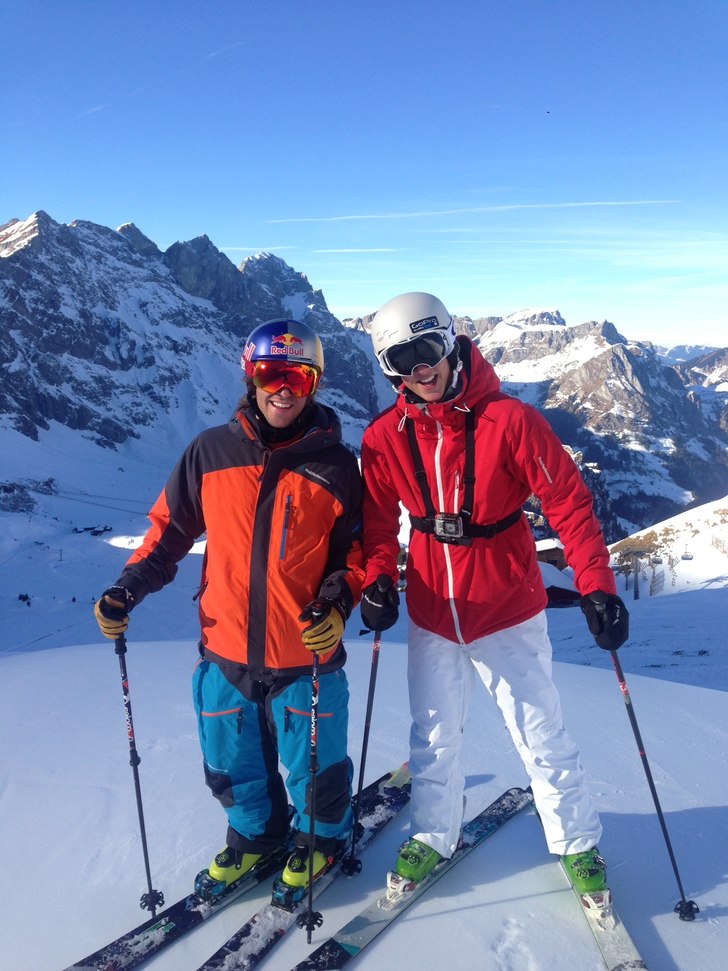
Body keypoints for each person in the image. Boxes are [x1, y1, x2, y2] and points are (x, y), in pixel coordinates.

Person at [359, 292, 628, 896]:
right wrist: (377, 578)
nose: (420, 369)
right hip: (432, 609)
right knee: (432, 737)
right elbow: (375, 525)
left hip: (507, 607)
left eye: (428, 349)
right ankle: (433, 835)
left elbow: (569, 505)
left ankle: (576, 842)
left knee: (540, 732)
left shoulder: (512, 421)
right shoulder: (383, 437)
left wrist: (596, 586)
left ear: (451, 342)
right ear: (388, 369)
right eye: (402, 360)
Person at [94, 318, 365, 900]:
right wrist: (128, 587)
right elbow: (169, 533)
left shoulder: (338, 466)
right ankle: (256, 838)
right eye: (271, 374)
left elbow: (355, 555)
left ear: (314, 383)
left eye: (298, 377)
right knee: (230, 765)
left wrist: (338, 604)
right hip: (226, 652)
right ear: (251, 376)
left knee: (315, 767)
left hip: (303, 656)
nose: (283, 389)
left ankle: (322, 838)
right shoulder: (210, 452)